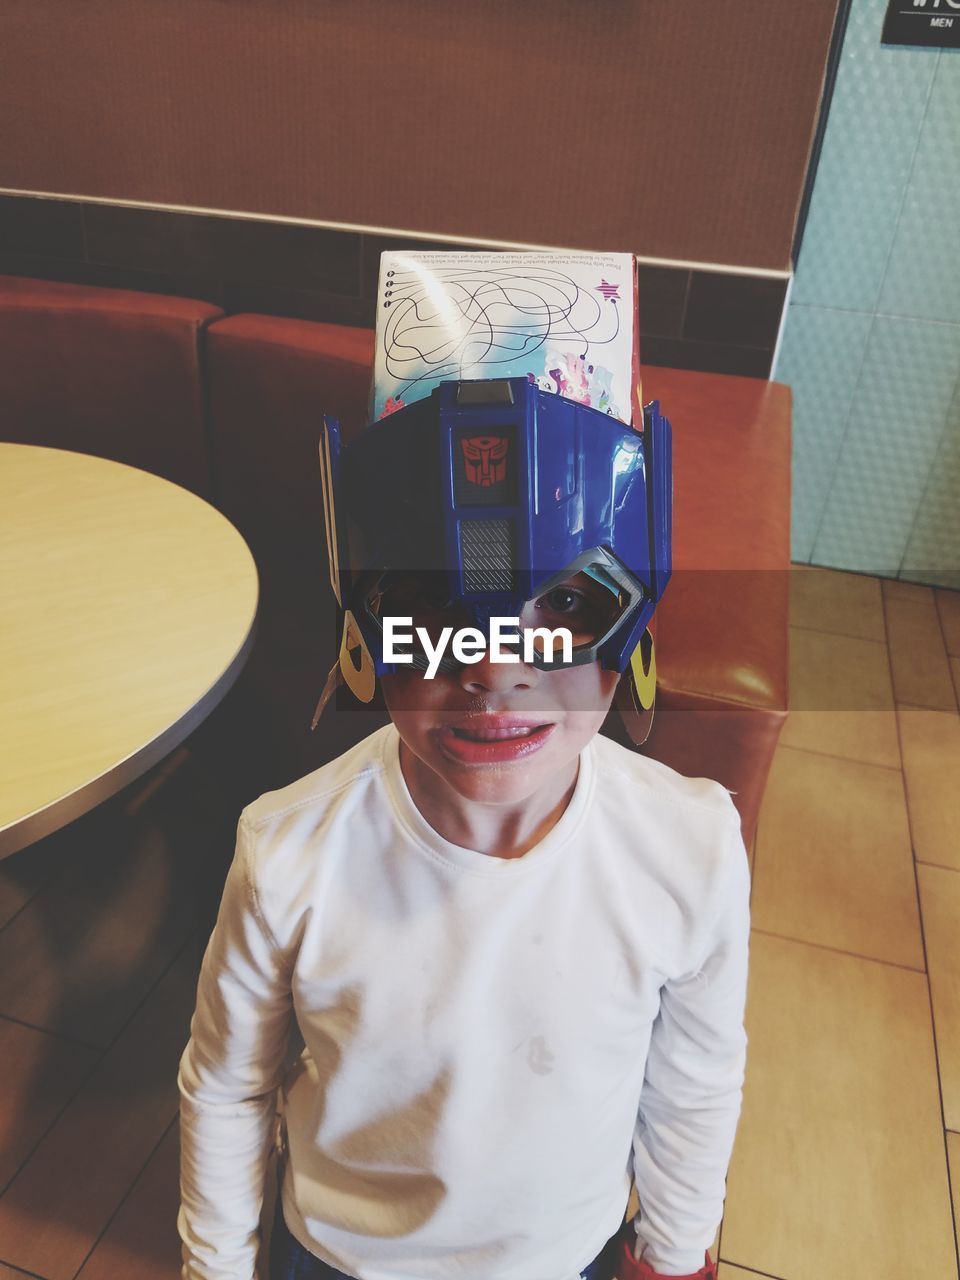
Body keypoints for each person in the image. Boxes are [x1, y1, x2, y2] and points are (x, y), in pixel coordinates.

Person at [178, 375, 749, 1280]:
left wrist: (675, 1256)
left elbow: (696, 1079)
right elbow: (226, 1084)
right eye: (430, 607)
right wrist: (215, 1266)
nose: (489, 667)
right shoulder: (288, 852)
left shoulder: (690, 849)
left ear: (632, 634)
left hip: (571, 1256)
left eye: (565, 606)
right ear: (366, 639)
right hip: (341, 1257)